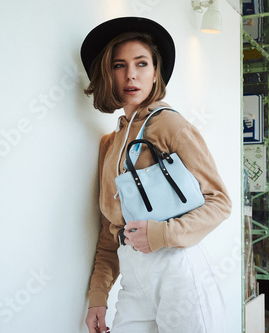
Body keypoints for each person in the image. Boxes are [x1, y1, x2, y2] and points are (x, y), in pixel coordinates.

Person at [80, 17, 232, 333]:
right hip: (133, 276)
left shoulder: (169, 125)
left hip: (177, 266)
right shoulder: (110, 143)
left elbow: (219, 202)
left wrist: (160, 234)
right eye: (119, 65)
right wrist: (98, 295)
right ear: (107, 74)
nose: (131, 74)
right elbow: (111, 229)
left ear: (155, 73)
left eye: (141, 64)